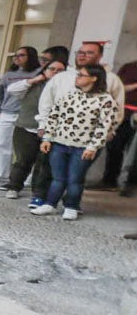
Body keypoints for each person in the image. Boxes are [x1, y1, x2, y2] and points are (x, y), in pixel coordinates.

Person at [32, 63, 119, 220]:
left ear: (94, 78)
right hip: (60, 142)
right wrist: (47, 138)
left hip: (83, 146)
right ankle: (50, 204)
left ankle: (71, 206)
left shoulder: (105, 100)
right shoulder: (70, 95)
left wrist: (93, 146)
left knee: (75, 178)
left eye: (81, 75)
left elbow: (105, 126)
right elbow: (54, 116)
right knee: (58, 177)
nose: (77, 78)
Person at [38, 41, 125, 186]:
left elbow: (117, 109)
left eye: (89, 53)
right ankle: (41, 199)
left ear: (100, 56)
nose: (82, 56)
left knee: (75, 176)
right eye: (80, 52)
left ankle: (70, 205)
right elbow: (47, 103)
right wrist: (44, 125)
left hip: (88, 140)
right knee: (48, 170)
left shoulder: (111, 79)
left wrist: (109, 132)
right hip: (57, 134)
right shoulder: (62, 77)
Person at [3, 59, 67, 201]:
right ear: (44, 70)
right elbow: (12, 90)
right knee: (23, 160)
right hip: (27, 126)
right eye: (52, 69)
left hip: (51, 131)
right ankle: (14, 186)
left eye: (60, 70)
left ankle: (38, 193)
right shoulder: (34, 85)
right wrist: (35, 79)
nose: (56, 72)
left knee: (43, 163)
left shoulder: (66, 88)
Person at [0, 46, 41, 182]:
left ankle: (27, 177)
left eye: (21, 55)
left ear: (31, 57)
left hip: (28, 115)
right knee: (3, 143)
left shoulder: (38, 73)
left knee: (27, 148)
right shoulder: (9, 75)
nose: (16, 58)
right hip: (7, 113)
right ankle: (1, 173)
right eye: (16, 55)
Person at [103, 58, 137, 193]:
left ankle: (131, 184)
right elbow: (119, 88)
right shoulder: (129, 66)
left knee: (134, 155)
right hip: (125, 112)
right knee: (114, 147)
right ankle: (109, 181)